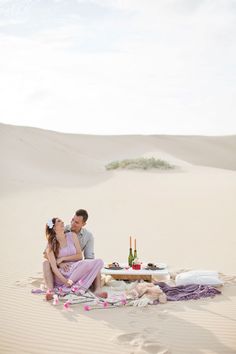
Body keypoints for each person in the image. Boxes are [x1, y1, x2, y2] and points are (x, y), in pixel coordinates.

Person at [44, 217, 107, 300]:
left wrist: (62, 259)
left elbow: (79, 256)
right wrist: (64, 281)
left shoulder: (72, 235)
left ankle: (74, 285)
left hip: (76, 268)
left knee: (99, 262)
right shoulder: (51, 244)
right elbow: (54, 267)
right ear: (54, 227)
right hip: (62, 274)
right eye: (59, 221)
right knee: (45, 263)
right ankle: (59, 288)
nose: (63, 221)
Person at [43, 209, 94, 290]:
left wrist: (63, 259)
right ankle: (50, 290)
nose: (72, 223)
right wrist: (59, 263)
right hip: (59, 266)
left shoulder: (86, 236)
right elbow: (46, 254)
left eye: (77, 222)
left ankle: (97, 287)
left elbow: (87, 258)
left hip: (74, 266)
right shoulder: (63, 230)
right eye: (72, 220)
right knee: (45, 263)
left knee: (94, 266)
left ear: (83, 224)